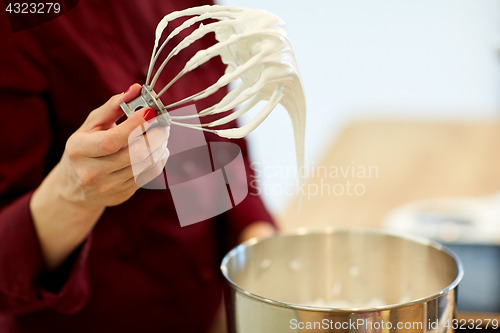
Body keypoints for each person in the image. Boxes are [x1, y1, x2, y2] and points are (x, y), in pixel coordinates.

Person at [0, 0, 276, 332]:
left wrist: (258, 244)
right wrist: (73, 193)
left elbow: (212, 144)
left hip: (206, 311)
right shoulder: (17, 20)